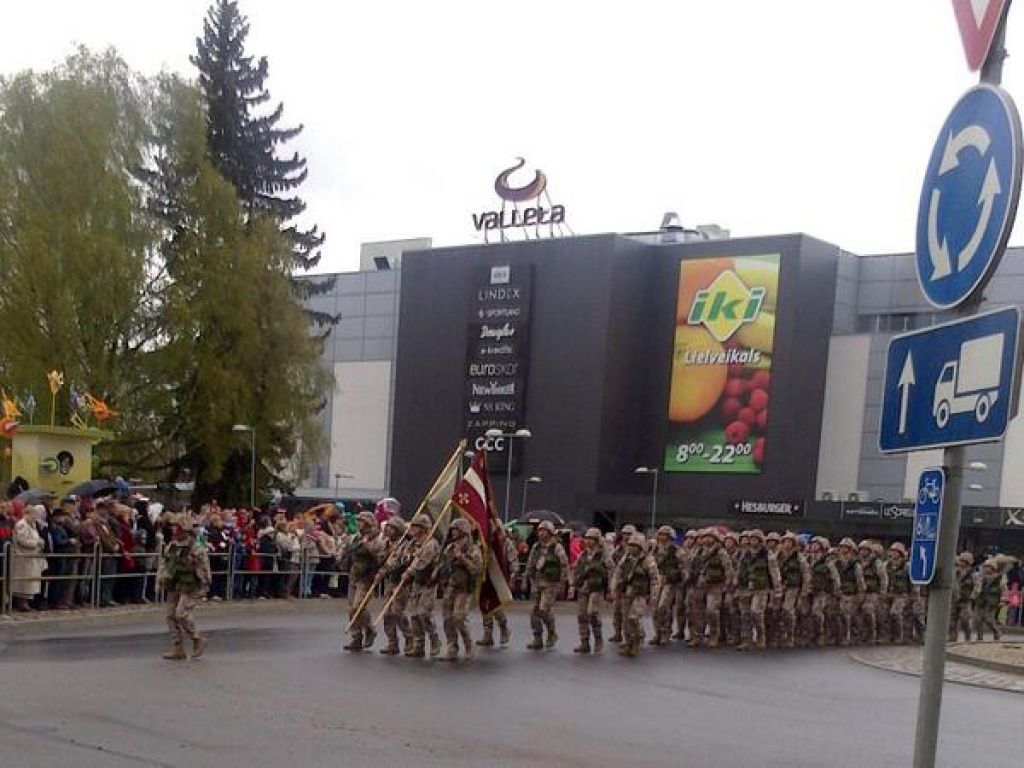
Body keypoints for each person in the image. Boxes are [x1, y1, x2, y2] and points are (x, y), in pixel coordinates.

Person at [157, 513, 211, 660]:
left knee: (181, 614)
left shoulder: (195, 548)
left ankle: (197, 638)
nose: (175, 530)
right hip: (175, 584)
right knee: (170, 615)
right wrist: (160, 581)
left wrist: (204, 586)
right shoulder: (172, 546)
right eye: (174, 527)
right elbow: (164, 564)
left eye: (178, 527)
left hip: (191, 585)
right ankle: (177, 647)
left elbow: (204, 568)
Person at [439, 518, 483, 661]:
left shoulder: (473, 549)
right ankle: (452, 646)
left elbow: (477, 569)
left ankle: (469, 644)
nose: (453, 533)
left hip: (464, 588)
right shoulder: (450, 547)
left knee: (459, 618)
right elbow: (445, 564)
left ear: (464, 531)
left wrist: (462, 558)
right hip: (451, 586)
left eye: (456, 530)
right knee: (447, 618)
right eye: (452, 530)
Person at [525, 520, 569, 650]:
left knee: (543, 610)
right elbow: (530, 562)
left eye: (544, 530)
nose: (541, 533)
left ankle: (551, 632)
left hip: (550, 583)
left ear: (550, 533)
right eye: (539, 530)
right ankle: (537, 638)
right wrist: (525, 578)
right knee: (534, 612)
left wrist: (562, 583)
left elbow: (564, 565)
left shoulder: (557, 547)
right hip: (537, 581)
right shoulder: (536, 546)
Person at [343, 511, 384, 652]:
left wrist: (367, 546)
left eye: (361, 521)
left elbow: (380, 557)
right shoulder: (356, 537)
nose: (358, 523)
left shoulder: (376, 538)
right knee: (352, 609)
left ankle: (369, 629)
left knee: (357, 607)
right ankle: (356, 636)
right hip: (354, 575)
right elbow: (349, 552)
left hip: (366, 577)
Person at [735, 530, 781, 651]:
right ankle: (746, 639)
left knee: (756, 612)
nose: (752, 541)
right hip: (745, 587)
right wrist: (735, 583)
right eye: (751, 539)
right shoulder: (745, 553)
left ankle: (761, 635)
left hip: (761, 588)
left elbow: (774, 572)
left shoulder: (767, 554)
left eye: (755, 539)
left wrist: (777, 589)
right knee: (745, 614)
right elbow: (739, 569)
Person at [689, 528, 735, 648]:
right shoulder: (698, 551)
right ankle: (697, 636)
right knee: (697, 612)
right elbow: (692, 567)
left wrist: (728, 585)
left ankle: (714, 635)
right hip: (699, 585)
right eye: (705, 537)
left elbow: (728, 569)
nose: (707, 539)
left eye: (710, 537)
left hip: (715, 586)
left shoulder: (721, 552)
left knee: (711, 610)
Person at [404, 513, 442, 658]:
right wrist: (407, 557)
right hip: (417, 582)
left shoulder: (431, 544)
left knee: (424, 613)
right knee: (413, 614)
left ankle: (434, 640)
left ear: (424, 528)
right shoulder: (414, 543)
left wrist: (409, 571)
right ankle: (418, 645)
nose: (412, 529)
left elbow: (422, 563)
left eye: (416, 526)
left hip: (428, 583)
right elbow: (406, 557)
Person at [614, 531, 657, 657]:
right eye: (630, 545)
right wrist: (614, 588)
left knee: (633, 618)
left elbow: (655, 579)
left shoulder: (648, 560)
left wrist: (654, 596)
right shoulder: (626, 559)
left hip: (640, 594)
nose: (631, 548)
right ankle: (628, 643)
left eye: (634, 546)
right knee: (626, 620)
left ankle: (637, 641)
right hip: (627, 593)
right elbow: (618, 573)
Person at [376, 516, 414, 655]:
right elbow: (380, 559)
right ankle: (392, 642)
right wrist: (387, 552)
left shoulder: (406, 544)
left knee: (397, 612)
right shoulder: (387, 543)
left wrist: (392, 560)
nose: (389, 530)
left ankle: (409, 637)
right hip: (390, 582)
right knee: (387, 614)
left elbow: (403, 561)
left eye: (392, 528)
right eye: (388, 528)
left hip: (402, 582)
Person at [572, 527, 613, 654]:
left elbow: (610, 571)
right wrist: (573, 584)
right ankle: (584, 642)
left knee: (593, 613)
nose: (588, 541)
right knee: (582, 615)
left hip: (597, 588)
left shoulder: (603, 555)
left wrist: (610, 589)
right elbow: (576, 569)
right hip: (584, 587)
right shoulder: (583, 554)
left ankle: (598, 640)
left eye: (591, 539)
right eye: (587, 538)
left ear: (597, 540)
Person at [478, 526, 517, 648]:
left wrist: (512, 578)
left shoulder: (506, 544)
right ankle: (487, 635)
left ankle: (504, 628)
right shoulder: (482, 542)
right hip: (485, 576)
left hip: (499, 577)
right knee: (484, 604)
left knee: (496, 604)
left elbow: (513, 560)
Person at [776, 532, 811, 649]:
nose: (787, 544)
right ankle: (779, 635)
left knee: (788, 610)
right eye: (785, 541)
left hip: (793, 587)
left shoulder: (799, 557)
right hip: (780, 586)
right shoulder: (778, 555)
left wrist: (805, 590)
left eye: (790, 542)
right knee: (776, 610)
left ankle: (790, 636)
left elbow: (806, 573)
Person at [11, 501, 46, 612]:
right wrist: (36, 542)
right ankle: (21, 603)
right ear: (27, 513)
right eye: (33, 514)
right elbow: (22, 540)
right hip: (24, 557)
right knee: (24, 582)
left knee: (31, 582)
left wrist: (40, 542)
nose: (35, 517)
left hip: (33, 557)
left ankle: (26, 602)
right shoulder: (22, 524)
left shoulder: (32, 524)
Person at [806, 536, 840, 647]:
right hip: (809, 590)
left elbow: (835, 577)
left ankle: (821, 633)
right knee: (806, 612)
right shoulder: (808, 559)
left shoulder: (827, 561)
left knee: (817, 611)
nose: (813, 546)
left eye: (816, 544)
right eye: (812, 544)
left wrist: (836, 590)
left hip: (823, 591)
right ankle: (810, 634)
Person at [651, 525, 682, 646]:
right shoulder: (654, 549)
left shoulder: (676, 550)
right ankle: (657, 633)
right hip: (656, 582)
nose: (662, 537)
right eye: (661, 534)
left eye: (665, 535)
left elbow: (683, 566)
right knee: (655, 609)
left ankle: (665, 633)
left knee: (663, 607)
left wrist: (679, 579)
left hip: (669, 582)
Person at [608, 524, 637, 643]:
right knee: (616, 610)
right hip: (620, 584)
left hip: (632, 585)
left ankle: (630, 638)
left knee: (629, 614)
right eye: (625, 534)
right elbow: (612, 568)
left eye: (629, 534)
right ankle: (617, 633)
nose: (626, 536)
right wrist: (611, 587)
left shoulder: (639, 550)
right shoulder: (617, 550)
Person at [835, 538, 865, 646]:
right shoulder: (837, 562)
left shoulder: (855, 565)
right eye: (842, 547)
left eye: (846, 548)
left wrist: (860, 593)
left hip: (851, 593)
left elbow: (860, 580)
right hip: (839, 592)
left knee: (848, 616)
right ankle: (840, 636)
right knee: (840, 615)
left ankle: (850, 636)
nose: (843, 550)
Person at [858, 540, 888, 645]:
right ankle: (863, 634)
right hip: (860, 592)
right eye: (861, 549)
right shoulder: (857, 562)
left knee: (870, 613)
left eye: (865, 550)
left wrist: (883, 592)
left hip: (873, 592)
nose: (863, 552)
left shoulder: (876, 563)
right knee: (860, 615)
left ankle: (873, 635)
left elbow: (883, 578)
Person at [885, 542, 914, 645]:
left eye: (895, 551)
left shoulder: (906, 566)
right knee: (886, 615)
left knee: (895, 613)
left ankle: (899, 636)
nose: (892, 553)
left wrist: (912, 594)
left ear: (900, 553)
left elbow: (912, 582)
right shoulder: (887, 565)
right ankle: (888, 636)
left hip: (902, 594)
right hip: (889, 594)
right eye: (892, 551)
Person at [950, 551, 980, 642]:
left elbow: (977, 586)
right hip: (954, 599)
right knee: (952, 619)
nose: (962, 562)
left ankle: (968, 636)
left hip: (966, 600)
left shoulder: (973, 574)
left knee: (965, 620)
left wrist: (973, 596)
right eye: (961, 560)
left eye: (964, 561)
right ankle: (952, 637)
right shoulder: (955, 572)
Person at [975, 557, 1007, 641]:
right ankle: (979, 637)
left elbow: (1003, 588)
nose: (986, 568)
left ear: (993, 568)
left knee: (988, 619)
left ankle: (997, 632)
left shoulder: (999, 577)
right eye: (985, 566)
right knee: (978, 619)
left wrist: (1003, 598)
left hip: (992, 600)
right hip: (981, 599)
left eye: (988, 567)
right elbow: (977, 587)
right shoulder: (981, 576)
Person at [675, 529, 698, 640]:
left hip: (692, 583)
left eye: (692, 538)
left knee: (691, 608)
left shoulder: (698, 551)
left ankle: (692, 633)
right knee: (679, 607)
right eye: (688, 538)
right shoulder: (680, 550)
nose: (690, 540)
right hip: (680, 582)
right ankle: (680, 630)